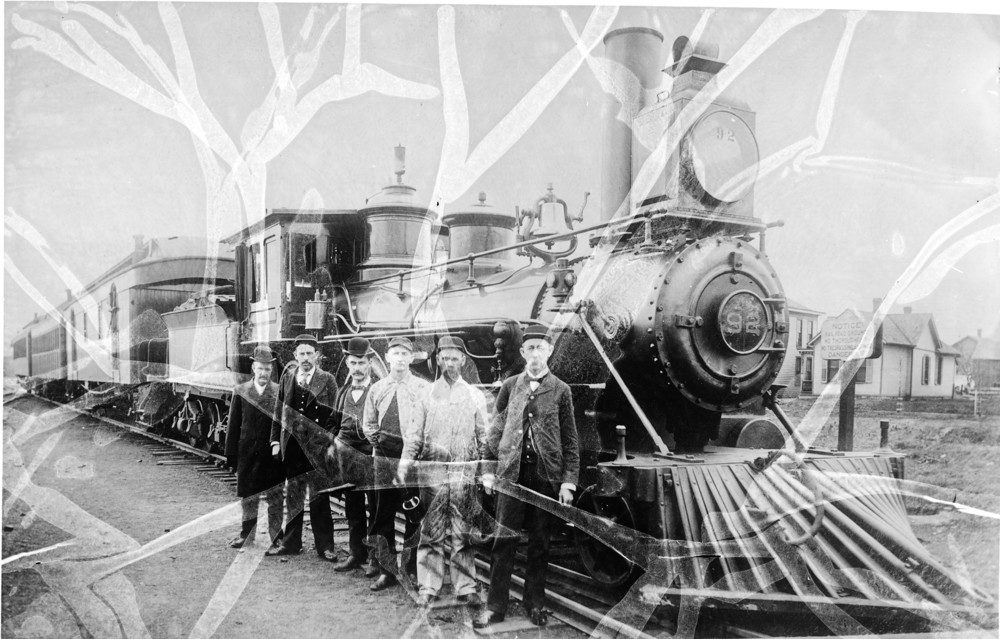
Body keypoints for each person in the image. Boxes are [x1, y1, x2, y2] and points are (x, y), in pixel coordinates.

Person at [475, 326, 579, 628]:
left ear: (549, 352)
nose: (535, 354)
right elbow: (494, 434)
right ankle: (495, 607)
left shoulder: (561, 390)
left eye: (540, 348)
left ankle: (535, 604)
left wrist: (568, 482)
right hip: (511, 475)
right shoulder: (510, 386)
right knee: (503, 541)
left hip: (545, 478)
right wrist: (488, 472)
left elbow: (570, 441)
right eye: (530, 348)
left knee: (540, 543)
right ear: (522, 352)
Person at [398, 336, 488, 606]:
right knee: (431, 531)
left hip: (463, 473)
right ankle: (429, 586)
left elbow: (484, 436)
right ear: (438, 359)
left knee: (462, 533)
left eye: (454, 358)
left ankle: (466, 586)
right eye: (445, 358)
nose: (450, 363)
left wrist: (484, 469)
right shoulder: (425, 395)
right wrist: (405, 463)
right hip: (432, 471)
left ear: (463, 360)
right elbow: (414, 435)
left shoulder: (474, 395)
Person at [362, 336, 429, 591]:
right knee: (382, 513)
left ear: (411, 358)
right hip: (383, 456)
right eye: (395, 354)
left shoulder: (422, 388)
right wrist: (376, 440)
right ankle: (386, 571)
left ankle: (410, 569)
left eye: (404, 354)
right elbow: (368, 423)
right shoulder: (377, 389)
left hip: (411, 458)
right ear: (387, 357)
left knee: (414, 512)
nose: (400, 358)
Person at [267, 334, 340, 561]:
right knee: (294, 497)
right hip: (293, 447)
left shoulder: (327, 379)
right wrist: (275, 441)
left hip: (317, 448)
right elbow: (278, 412)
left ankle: (325, 546)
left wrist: (330, 444)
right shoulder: (288, 377)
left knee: (319, 497)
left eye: (310, 353)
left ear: (316, 355)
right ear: (295, 356)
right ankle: (291, 543)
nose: (306, 358)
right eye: (302, 354)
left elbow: (335, 416)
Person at [225, 345, 285, 549]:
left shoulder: (278, 392)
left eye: (267, 369)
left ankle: (277, 537)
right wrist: (231, 456)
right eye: (260, 368)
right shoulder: (241, 391)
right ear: (253, 368)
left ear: (271, 370)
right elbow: (233, 425)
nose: (263, 373)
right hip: (248, 453)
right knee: (249, 497)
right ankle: (247, 535)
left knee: (275, 497)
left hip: (272, 455)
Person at [331, 336, 378, 577]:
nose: (357, 368)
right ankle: (355, 554)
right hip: (348, 457)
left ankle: (376, 559)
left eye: (361, 363)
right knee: (353, 507)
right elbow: (335, 423)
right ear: (347, 364)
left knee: (376, 508)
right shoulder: (342, 392)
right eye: (353, 363)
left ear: (369, 363)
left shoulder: (378, 391)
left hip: (372, 456)